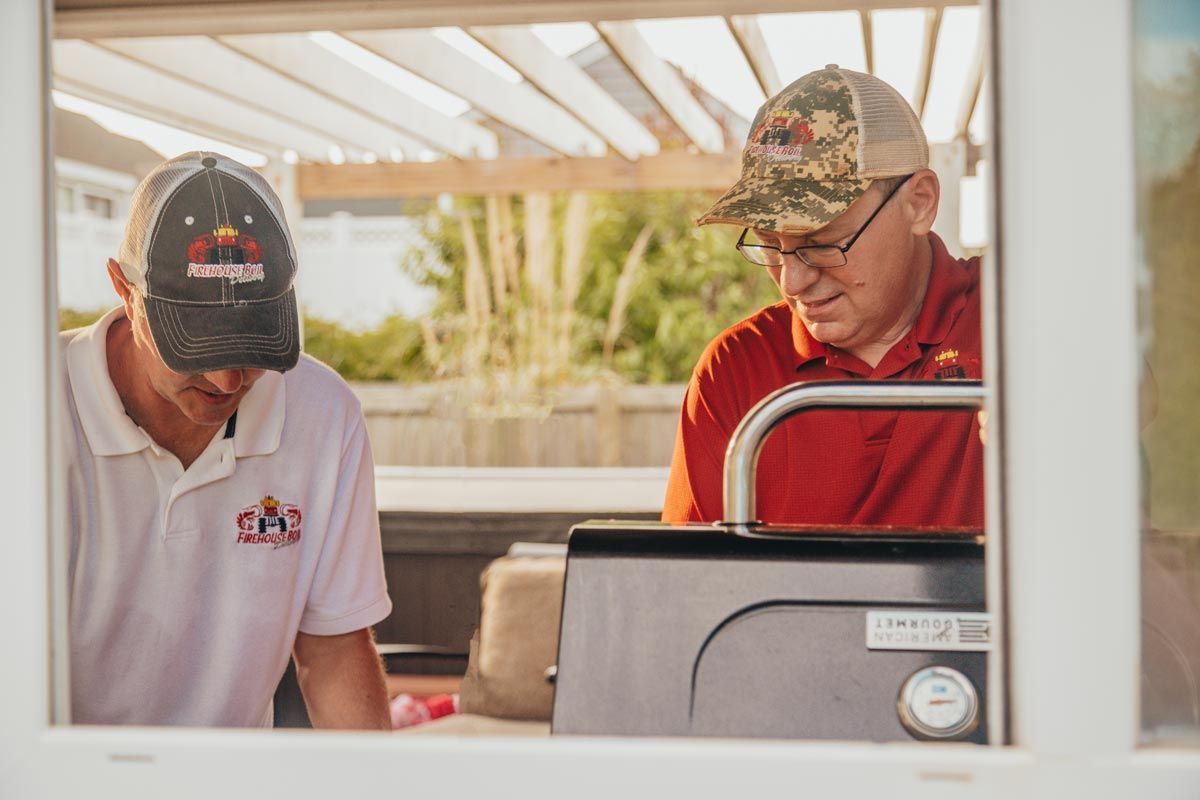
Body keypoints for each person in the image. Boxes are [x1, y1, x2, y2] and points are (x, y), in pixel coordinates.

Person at [62, 152, 392, 728]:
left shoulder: (323, 413)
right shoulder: (26, 402)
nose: (227, 381)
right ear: (124, 289)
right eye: (197, 345)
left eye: (251, 346)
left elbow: (333, 650)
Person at [663, 66, 983, 527]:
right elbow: (692, 585)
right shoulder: (734, 372)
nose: (791, 282)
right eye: (771, 244)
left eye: (821, 242)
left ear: (920, 202)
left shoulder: (1017, 320)